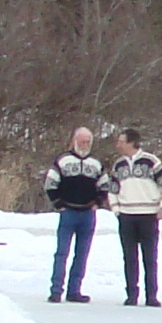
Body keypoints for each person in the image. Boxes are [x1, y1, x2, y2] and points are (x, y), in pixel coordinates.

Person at [106, 128, 162, 307]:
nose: (118, 144)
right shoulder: (118, 165)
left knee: (150, 257)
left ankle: (151, 295)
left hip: (148, 215)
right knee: (129, 257)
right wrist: (116, 208)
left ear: (131, 142)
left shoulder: (151, 161)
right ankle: (131, 295)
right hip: (127, 215)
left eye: (121, 141)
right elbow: (112, 189)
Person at [44, 126, 106, 303]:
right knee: (62, 252)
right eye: (82, 141)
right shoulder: (63, 160)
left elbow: (105, 185)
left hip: (87, 213)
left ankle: (74, 290)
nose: (84, 145)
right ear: (74, 141)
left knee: (82, 253)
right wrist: (58, 204)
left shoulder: (96, 163)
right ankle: (56, 290)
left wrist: (98, 203)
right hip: (68, 212)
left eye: (87, 142)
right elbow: (50, 184)